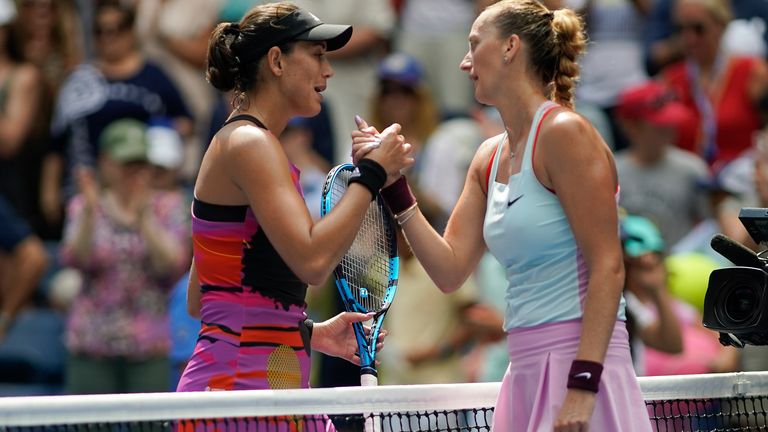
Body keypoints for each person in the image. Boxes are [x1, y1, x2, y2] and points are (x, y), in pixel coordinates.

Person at [352, 1, 651, 430]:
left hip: (582, 370)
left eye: (475, 45)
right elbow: (449, 270)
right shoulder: (487, 157)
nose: (464, 61)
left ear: (510, 47)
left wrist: (582, 387)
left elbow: (608, 267)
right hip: (523, 370)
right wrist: (394, 186)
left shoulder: (566, 133)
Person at [176, 1, 411, 398]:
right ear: (276, 62)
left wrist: (308, 333)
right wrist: (371, 175)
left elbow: (206, 297)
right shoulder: (250, 144)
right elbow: (313, 261)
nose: (329, 69)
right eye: (317, 55)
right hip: (238, 394)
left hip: (265, 387)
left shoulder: (245, 143)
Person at [59, 118, 190, 394]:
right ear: (105, 162)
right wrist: (89, 215)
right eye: (125, 163)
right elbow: (75, 259)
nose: (133, 172)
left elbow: (173, 264)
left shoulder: (167, 206)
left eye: (140, 163)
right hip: (92, 343)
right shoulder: (84, 205)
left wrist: (144, 217)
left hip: (148, 344)